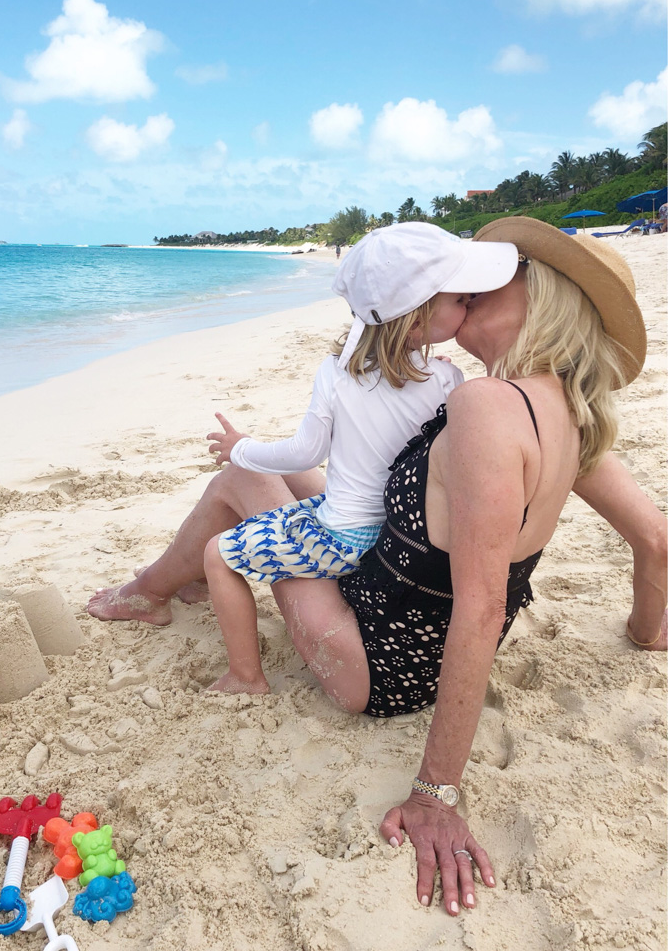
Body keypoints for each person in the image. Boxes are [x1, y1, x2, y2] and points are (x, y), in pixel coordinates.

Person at [87, 216, 666, 916]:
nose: (473, 287)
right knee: (287, 492)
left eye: (500, 276)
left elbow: (481, 609)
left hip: (376, 663)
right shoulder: (567, 413)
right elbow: (656, 542)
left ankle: (148, 592)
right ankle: (156, 587)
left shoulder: (484, 405)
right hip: (392, 596)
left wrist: (436, 793)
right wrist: (646, 630)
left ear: (540, 296)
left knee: (235, 492)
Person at [200, 223, 519, 694]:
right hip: (393, 536)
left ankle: (245, 675)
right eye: (458, 299)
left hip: (343, 537)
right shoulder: (449, 382)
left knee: (218, 555)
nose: (467, 303)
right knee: (300, 506)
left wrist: (239, 448)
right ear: (415, 319)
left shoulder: (335, 374)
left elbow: (305, 452)